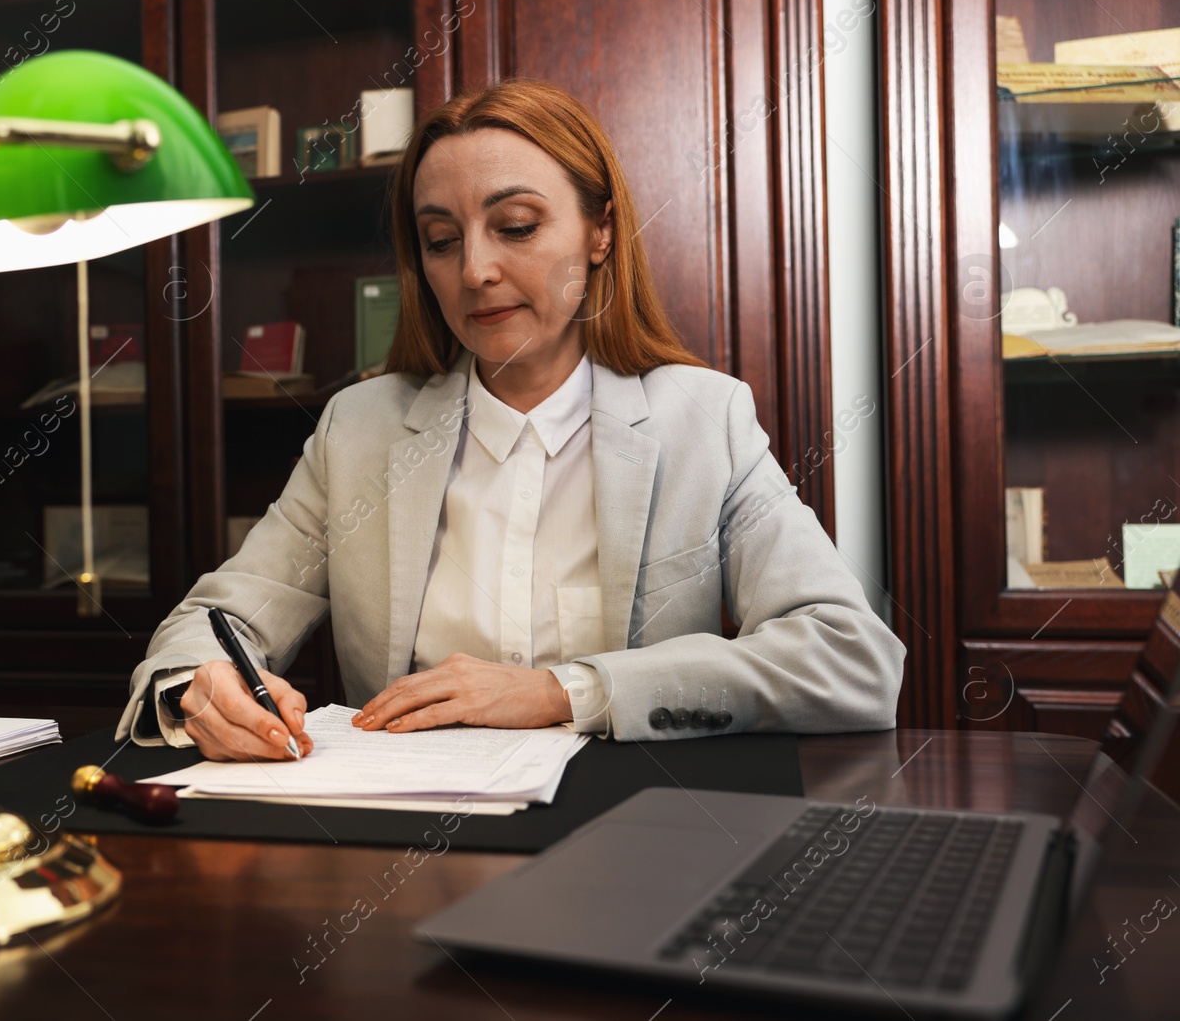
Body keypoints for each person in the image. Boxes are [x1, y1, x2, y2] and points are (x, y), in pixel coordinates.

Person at [114, 78, 904, 762]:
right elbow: (214, 620)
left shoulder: (706, 420)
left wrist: (565, 691)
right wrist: (197, 688)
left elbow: (851, 659)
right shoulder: (358, 429)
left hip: (633, 837)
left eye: (517, 226)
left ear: (599, 233)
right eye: (441, 240)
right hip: (407, 849)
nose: (477, 270)